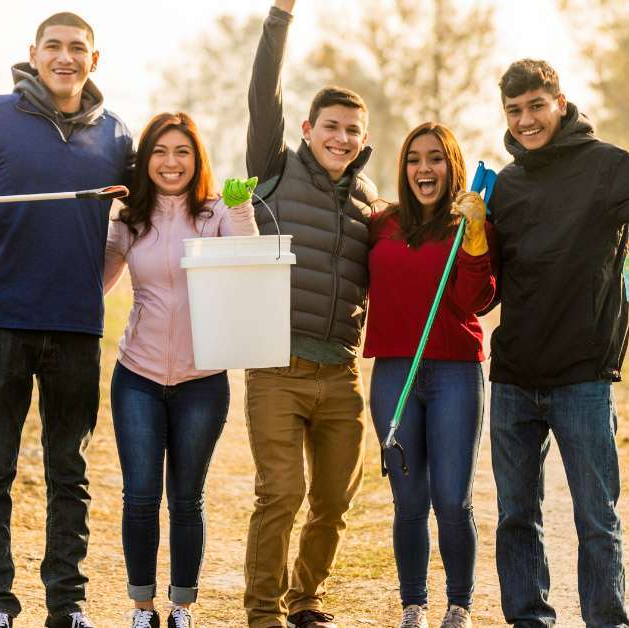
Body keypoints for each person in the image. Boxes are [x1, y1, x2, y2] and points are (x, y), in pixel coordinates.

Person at [0, 12, 133, 628]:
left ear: (94, 61)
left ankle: (67, 604)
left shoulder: (118, 137)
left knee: (68, 472)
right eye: (55, 47)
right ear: (34, 53)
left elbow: (152, 208)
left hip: (77, 326)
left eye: (78, 48)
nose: (65, 57)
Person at [486, 59, 629, 628]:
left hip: (583, 376)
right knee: (516, 514)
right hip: (513, 376)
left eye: (536, 106)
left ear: (561, 102)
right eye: (515, 111)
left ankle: (606, 621)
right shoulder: (506, 186)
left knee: (595, 515)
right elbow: (487, 283)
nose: (526, 120)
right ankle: (529, 618)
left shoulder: (606, 167)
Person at [242, 1, 378, 626]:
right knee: (281, 494)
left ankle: (306, 598)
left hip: (341, 375)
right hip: (277, 367)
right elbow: (262, 89)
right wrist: (280, 16)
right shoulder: (273, 170)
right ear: (305, 127)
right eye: (331, 125)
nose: (341, 138)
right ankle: (264, 610)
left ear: (363, 139)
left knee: (331, 501)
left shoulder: (370, 203)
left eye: (353, 130)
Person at [103, 112, 258, 628]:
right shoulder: (128, 218)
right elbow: (96, 282)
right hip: (137, 376)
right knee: (141, 495)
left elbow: (245, 264)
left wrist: (239, 208)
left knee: (187, 498)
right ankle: (142, 607)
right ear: (146, 160)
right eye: (160, 152)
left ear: (197, 160)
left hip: (202, 382)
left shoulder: (214, 212)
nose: (171, 163)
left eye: (182, 152)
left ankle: (181, 607)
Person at [364, 122, 495, 628]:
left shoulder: (470, 224)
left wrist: (478, 234)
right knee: (409, 500)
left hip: (455, 373)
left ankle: (458, 604)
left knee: (451, 498)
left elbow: (474, 301)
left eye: (436, 158)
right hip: (395, 371)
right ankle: (413, 605)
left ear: (453, 166)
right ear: (404, 169)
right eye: (415, 159)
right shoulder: (383, 224)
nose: (425, 168)